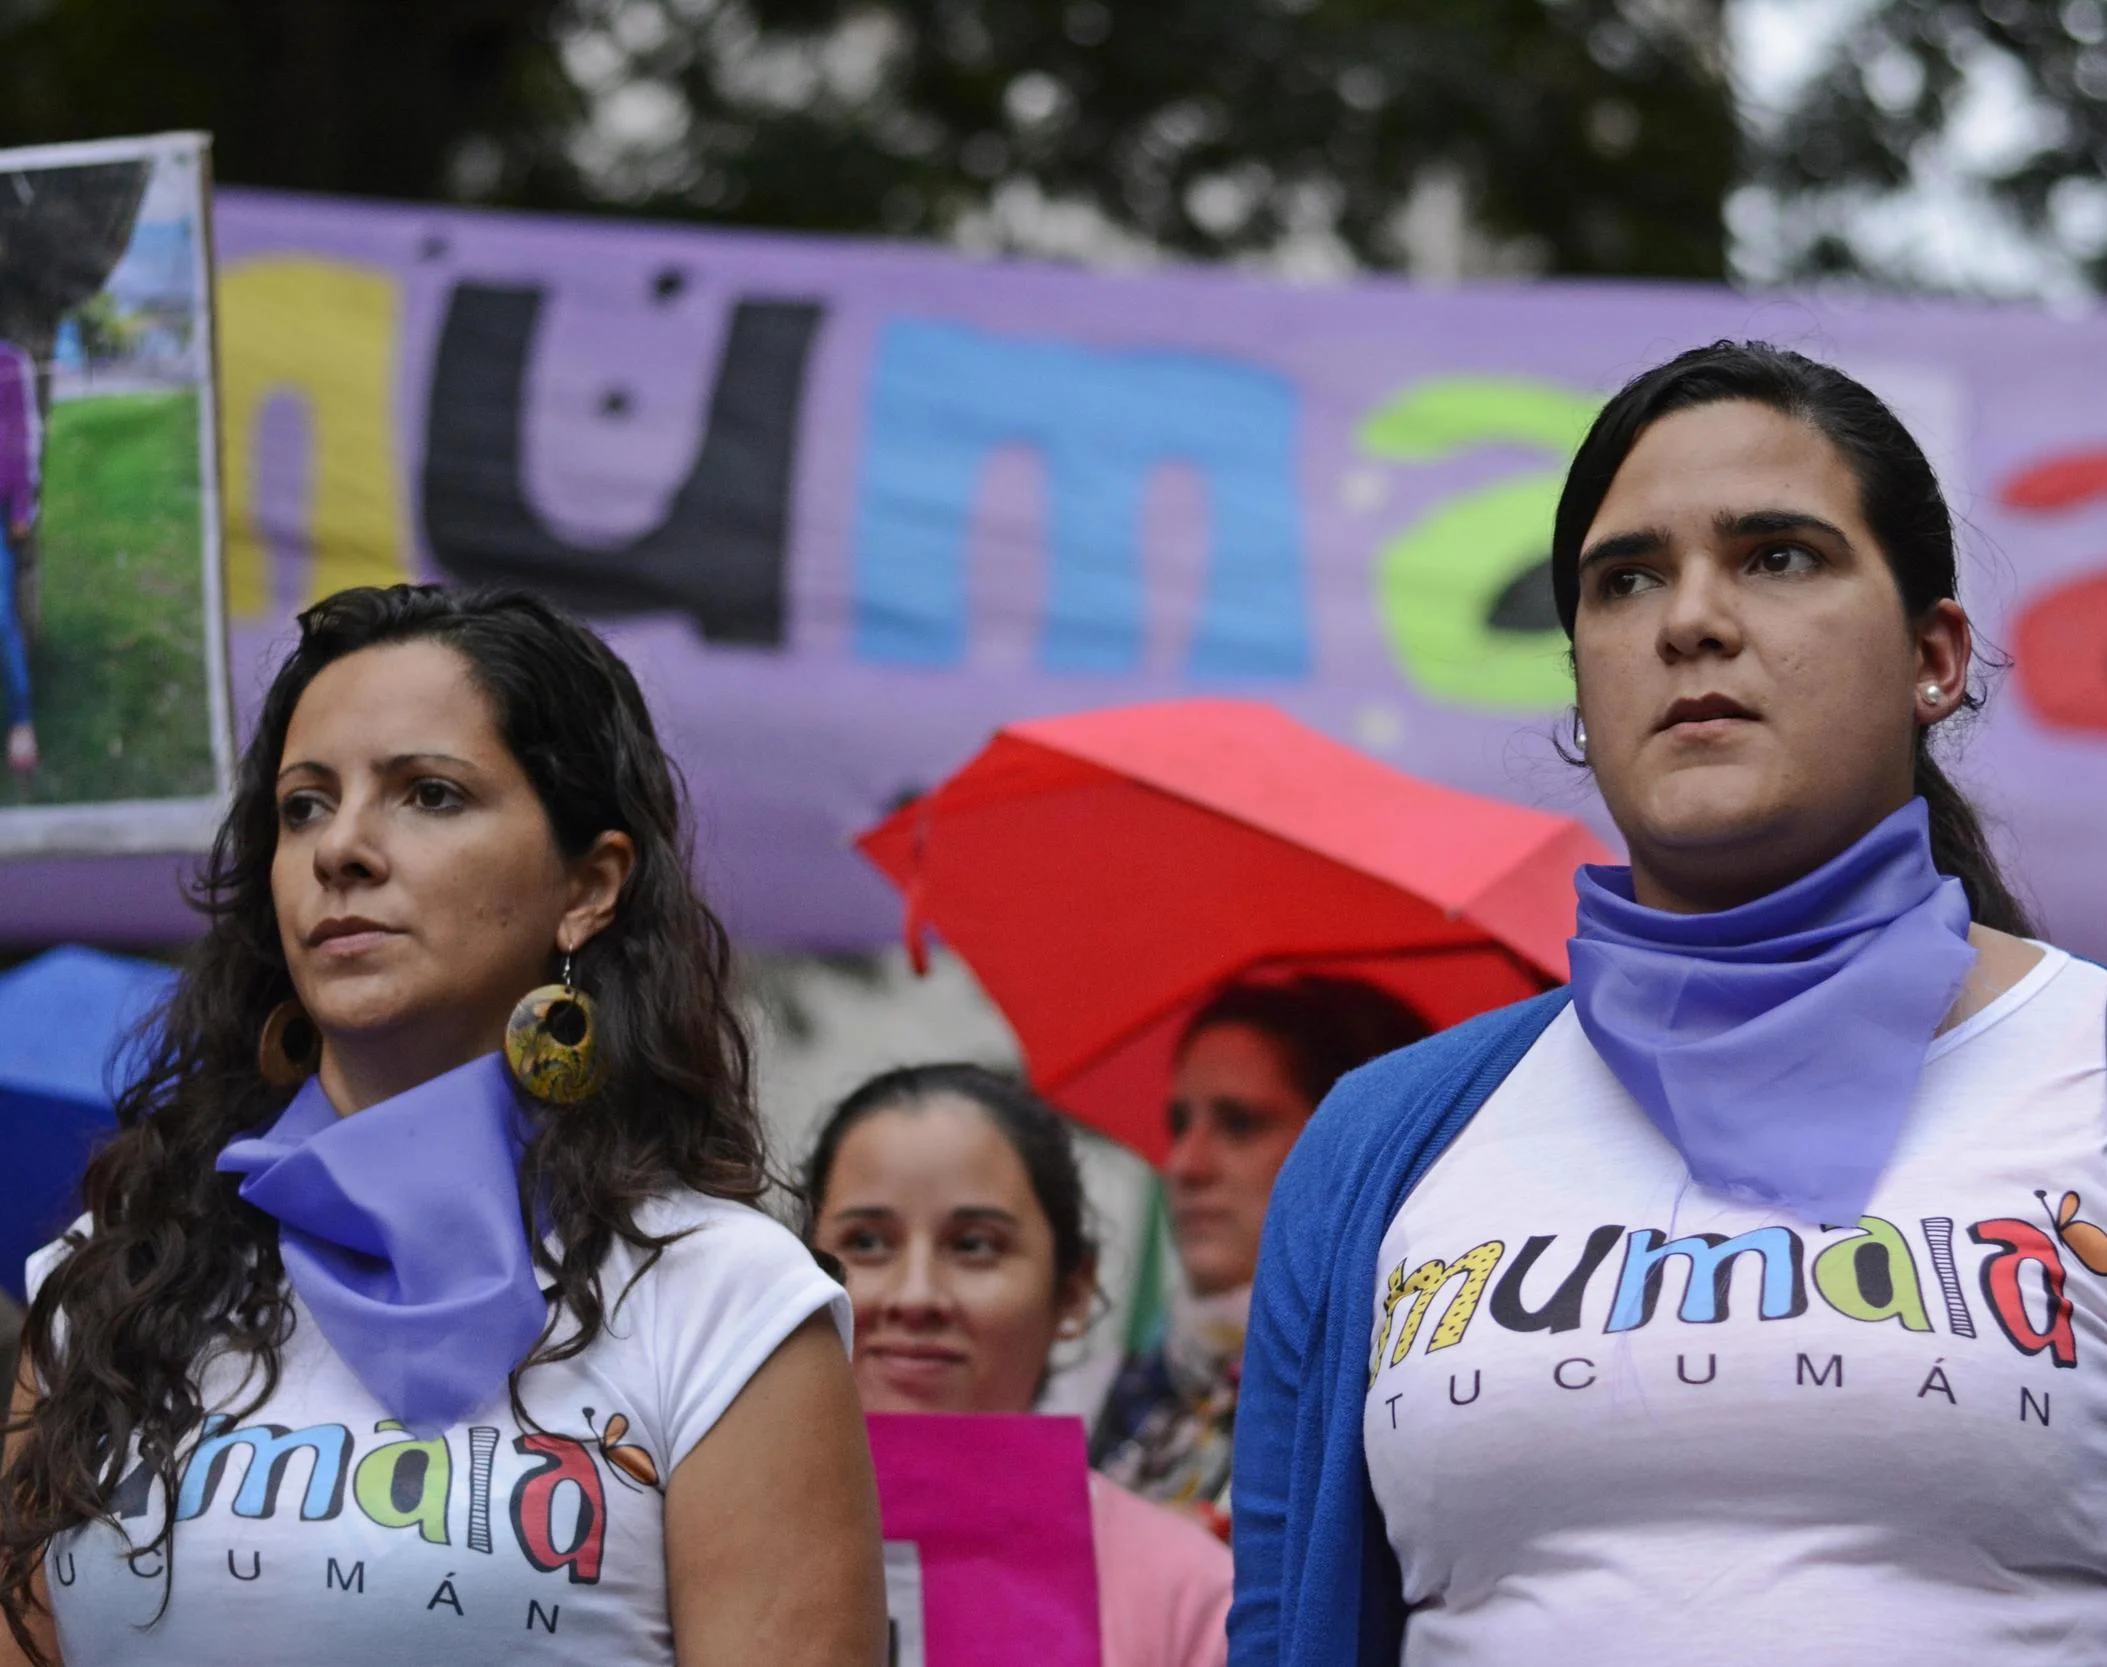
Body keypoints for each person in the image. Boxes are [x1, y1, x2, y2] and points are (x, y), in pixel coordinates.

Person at [1230, 342, 2107, 1666]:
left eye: (1779, 555)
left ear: (1936, 652)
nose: (1689, 617)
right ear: (1579, 676)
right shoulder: (1377, 1150)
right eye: (1626, 578)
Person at [0, 585, 886, 1667]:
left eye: (427, 793)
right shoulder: (114, 1281)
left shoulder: (723, 1302)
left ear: (589, 886)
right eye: (304, 806)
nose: (344, 850)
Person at [803, 1064, 1230, 1667]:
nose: (916, 1296)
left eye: (974, 1245)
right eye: (868, 1242)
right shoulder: (702, 1546)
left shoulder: (1192, 1595)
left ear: (1073, 1292)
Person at [1092, 977, 1431, 1535]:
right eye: (1179, 1124)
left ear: (1358, 1146)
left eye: (1240, 1124)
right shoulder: (1112, 1391)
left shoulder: (1397, 1396)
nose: (1185, 1164)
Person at [0, 341, 39, 775]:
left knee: (0, 616)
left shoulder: (10, 362)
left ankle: (21, 720)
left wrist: (21, 508)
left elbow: (21, 435)